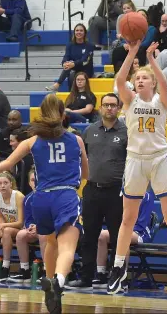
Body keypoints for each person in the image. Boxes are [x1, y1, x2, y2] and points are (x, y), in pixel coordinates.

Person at [0, 94, 89, 314]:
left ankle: (50, 285)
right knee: (67, 247)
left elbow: (7, 162)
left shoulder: (32, 141)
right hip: (65, 195)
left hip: (41, 198)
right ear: (63, 115)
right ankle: (59, 282)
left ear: (41, 115)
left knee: (50, 243)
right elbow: (86, 174)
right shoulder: (76, 140)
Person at [107, 39, 167, 299]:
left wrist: (152, 60)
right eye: (138, 77)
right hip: (135, 160)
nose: (141, 80)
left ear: (153, 82)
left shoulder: (161, 102)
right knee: (127, 220)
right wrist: (132, 52)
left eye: (145, 78)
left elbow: (164, 84)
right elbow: (120, 81)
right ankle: (118, 267)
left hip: (160, 159)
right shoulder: (129, 101)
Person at [65, 93, 127, 290]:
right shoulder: (90, 130)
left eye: (113, 105)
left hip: (116, 191)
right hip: (92, 190)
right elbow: (80, 157)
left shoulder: (127, 132)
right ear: (100, 108)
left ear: (119, 108)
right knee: (89, 236)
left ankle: (117, 277)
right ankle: (85, 277)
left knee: (118, 237)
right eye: (106, 105)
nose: (109, 108)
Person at [94, 190, 155, 289]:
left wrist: (124, 230)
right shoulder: (123, 193)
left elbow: (142, 223)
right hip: (123, 229)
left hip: (140, 232)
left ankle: (122, 278)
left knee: (124, 237)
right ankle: (101, 274)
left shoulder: (147, 196)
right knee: (102, 236)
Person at [7, 168, 47, 283]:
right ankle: (24, 270)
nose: (35, 183)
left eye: (38, 180)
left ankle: (46, 270)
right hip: (34, 230)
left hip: (48, 229)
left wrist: (39, 227)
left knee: (44, 235)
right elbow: (27, 219)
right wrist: (31, 227)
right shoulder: (27, 199)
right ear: (29, 183)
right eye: (33, 180)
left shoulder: (50, 196)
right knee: (20, 235)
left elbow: (52, 218)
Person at [46, 23, 94, 92]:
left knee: (72, 72)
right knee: (69, 70)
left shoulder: (89, 45)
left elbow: (85, 60)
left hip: (86, 69)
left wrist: (73, 64)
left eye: (81, 30)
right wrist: (64, 63)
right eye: (77, 30)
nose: (79, 32)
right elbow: (66, 57)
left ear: (85, 33)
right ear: (74, 32)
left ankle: (58, 84)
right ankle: (69, 93)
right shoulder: (70, 45)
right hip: (74, 67)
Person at [112, 9, 156, 74]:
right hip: (131, 47)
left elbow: (147, 42)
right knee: (117, 51)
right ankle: (117, 73)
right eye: (139, 15)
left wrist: (135, 46)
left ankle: (140, 73)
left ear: (147, 19)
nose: (141, 16)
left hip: (142, 49)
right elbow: (127, 39)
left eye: (143, 15)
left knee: (141, 50)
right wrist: (125, 44)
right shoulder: (132, 27)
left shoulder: (151, 28)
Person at [9, 128, 34, 195]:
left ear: (21, 142)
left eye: (12, 141)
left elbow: (24, 177)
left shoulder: (27, 158)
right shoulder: (18, 156)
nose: (10, 144)